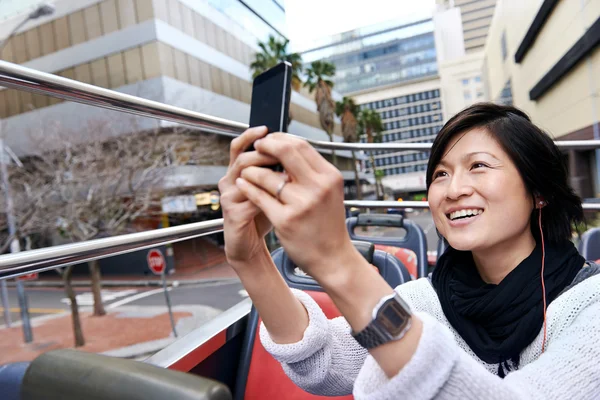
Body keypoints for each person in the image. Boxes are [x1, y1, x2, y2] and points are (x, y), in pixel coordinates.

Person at [218, 103, 600, 399]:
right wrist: (250, 260)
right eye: (441, 174)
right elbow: (325, 364)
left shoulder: (589, 306)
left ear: (540, 192)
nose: (453, 190)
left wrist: (337, 262)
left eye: (479, 166)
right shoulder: (423, 300)